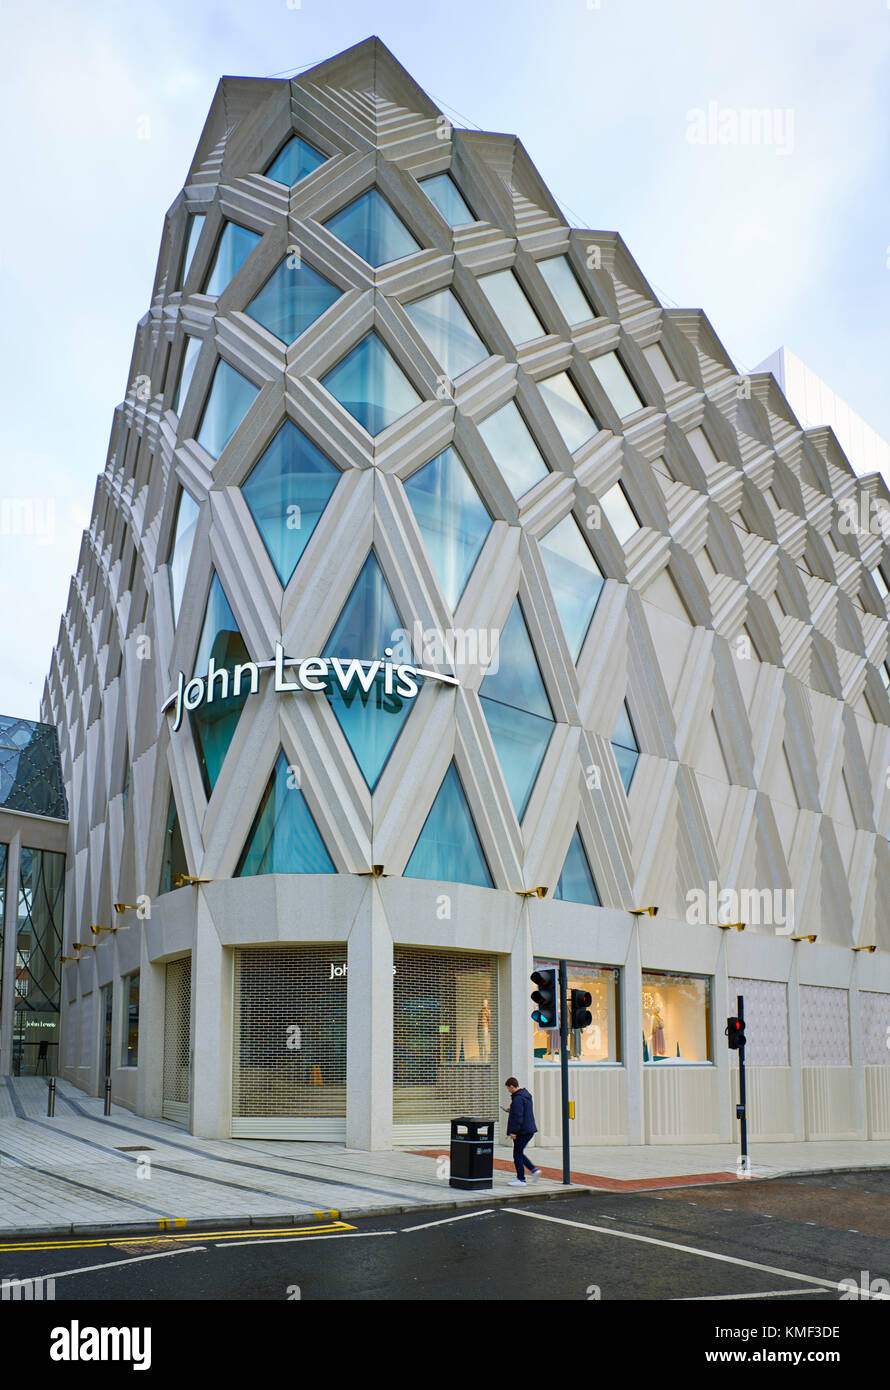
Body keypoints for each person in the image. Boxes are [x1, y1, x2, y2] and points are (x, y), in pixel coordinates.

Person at [504, 1077, 540, 1186]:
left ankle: (521, 1179)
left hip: (522, 1131)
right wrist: (512, 1109)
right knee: (519, 1153)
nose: (508, 1091)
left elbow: (518, 1117)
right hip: (528, 1129)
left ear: (511, 1086)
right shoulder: (525, 1096)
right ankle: (533, 1170)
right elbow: (521, 1111)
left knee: (517, 1155)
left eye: (508, 1088)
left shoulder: (518, 1099)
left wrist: (513, 1131)